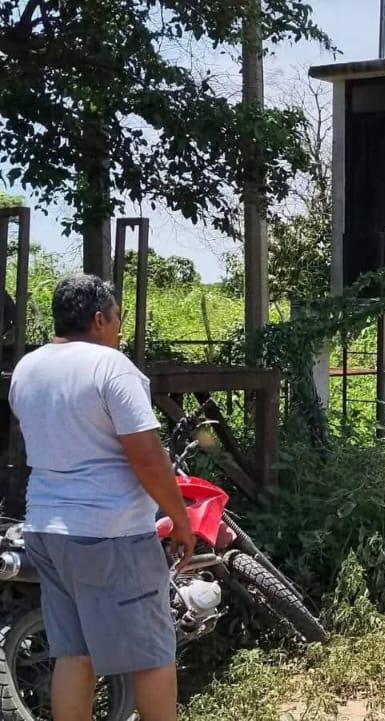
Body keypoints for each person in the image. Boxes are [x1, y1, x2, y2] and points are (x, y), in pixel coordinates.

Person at [9, 274, 195, 721]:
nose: (118, 329)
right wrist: (180, 520)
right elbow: (147, 456)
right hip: (108, 534)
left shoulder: (27, 369)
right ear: (98, 319)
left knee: (75, 655)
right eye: (116, 319)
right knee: (152, 655)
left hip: (45, 529)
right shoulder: (111, 366)